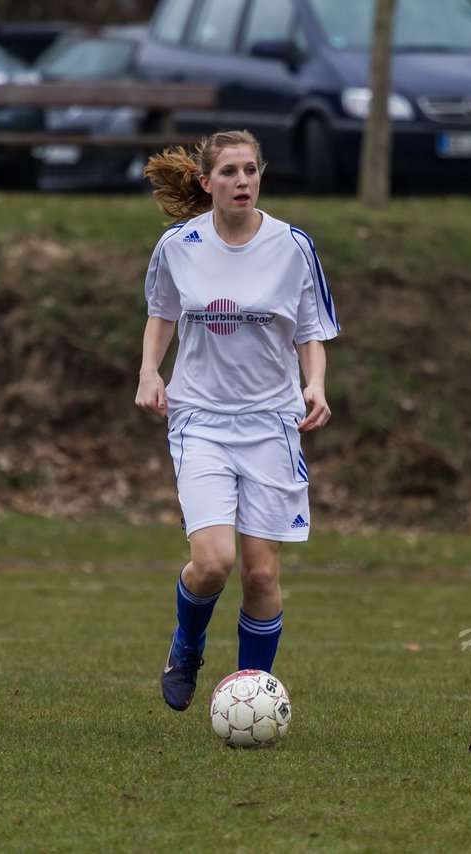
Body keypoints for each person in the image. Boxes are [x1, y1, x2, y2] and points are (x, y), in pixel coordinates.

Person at [135, 130, 340, 712]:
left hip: (271, 423)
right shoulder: (179, 244)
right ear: (207, 183)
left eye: (251, 169)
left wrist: (315, 384)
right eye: (229, 172)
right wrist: (150, 372)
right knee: (213, 562)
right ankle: (188, 643)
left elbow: (310, 329)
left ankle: (250, 698)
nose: (242, 180)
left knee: (260, 575)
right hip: (198, 417)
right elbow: (161, 313)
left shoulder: (292, 246)